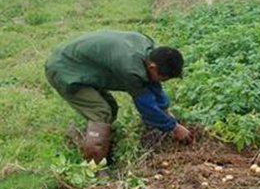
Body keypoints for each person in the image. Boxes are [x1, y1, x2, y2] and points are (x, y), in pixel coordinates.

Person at [45, 30, 193, 163]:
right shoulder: (131, 69)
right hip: (64, 70)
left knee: (111, 107)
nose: (162, 82)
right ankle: (94, 168)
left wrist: (165, 110)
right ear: (153, 67)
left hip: (81, 65)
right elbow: (146, 107)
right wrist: (173, 127)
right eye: (164, 78)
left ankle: (102, 146)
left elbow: (152, 84)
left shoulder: (148, 48)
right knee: (101, 112)